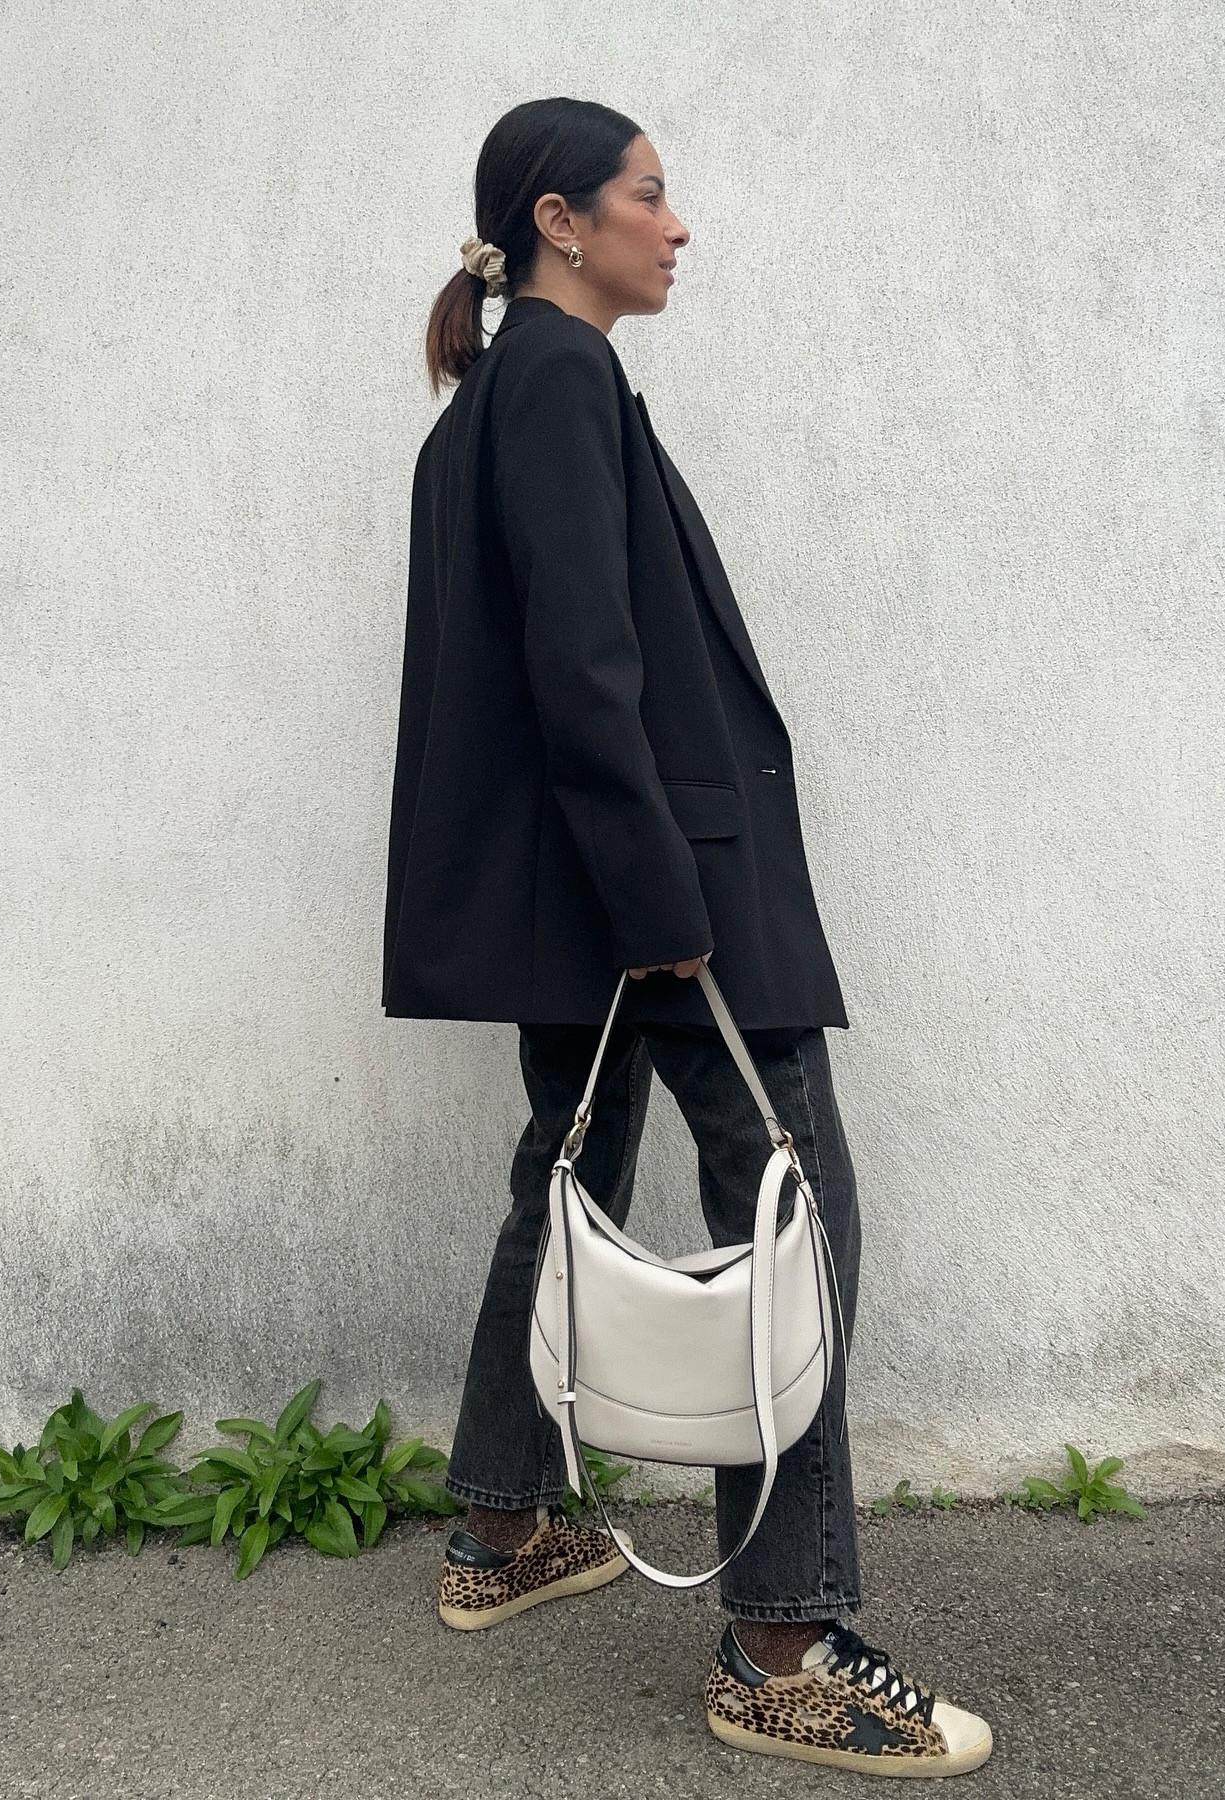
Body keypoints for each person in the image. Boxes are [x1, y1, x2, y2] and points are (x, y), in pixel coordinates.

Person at [382, 96, 992, 1778]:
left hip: (573, 891)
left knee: (561, 1176)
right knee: (800, 1199)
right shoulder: (561, 384)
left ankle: (503, 1530)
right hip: (650, 892)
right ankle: (780, 1646)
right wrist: (671, 913)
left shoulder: (505, 394)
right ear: (562, 224)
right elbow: (584, 672)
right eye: (653, 196)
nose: (680, 224)